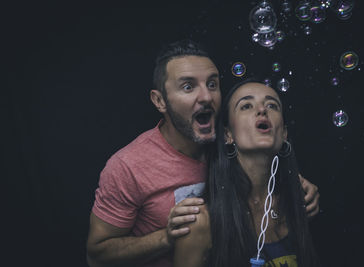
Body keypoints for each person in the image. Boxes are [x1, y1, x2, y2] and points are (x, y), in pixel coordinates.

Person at [86, 40, 320, 267]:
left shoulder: (230, 137)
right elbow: (97, 255)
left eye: (212, 84)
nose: (206, 97)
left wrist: (296, 185)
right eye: (188, 87)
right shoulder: (128, 166)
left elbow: (262, 164)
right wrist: (166, 238)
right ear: (159, 101)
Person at [174, 78, 320, 267]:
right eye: (246, 106)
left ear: (284, 133)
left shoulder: (300, 204)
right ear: (228, 135)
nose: (262, 110)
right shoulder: (202, 222)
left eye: (272, 106)